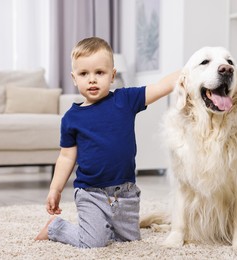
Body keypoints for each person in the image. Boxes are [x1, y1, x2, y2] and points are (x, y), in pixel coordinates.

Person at [35, 36, 180, 248]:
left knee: (129, 241)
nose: (92, 79)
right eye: (84, 74)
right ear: (74, 78)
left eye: (99, 73)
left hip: (126, 193)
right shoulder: (71, 118)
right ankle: (56, 227)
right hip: (91, 192)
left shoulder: (125, 100)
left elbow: (160, 87)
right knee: (94, 242)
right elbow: (66, 156)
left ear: (112, 76)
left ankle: (103, 225)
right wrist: (55, 189)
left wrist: (191, 71)